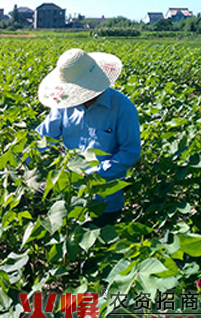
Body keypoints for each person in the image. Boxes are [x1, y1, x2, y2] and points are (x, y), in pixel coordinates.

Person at [35, 48, 141, 227]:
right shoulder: (64, 105)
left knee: (99, 249)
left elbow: (130, 152)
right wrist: (22, 163)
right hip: (69, 199)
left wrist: (91, 175)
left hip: (104, 201)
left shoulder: (122, 108)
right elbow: (42, 137)